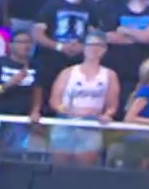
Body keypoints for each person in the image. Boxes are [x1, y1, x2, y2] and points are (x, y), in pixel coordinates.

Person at [46, 30, 118, 165]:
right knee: (59, 166)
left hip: (91, 126)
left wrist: (107, 115)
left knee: (84, 168)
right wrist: (69, 111)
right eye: (91, 45)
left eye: (99, 45)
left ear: (104, 49)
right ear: (84, 47)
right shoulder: (68, 72)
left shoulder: (109, 75)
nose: (94, 49)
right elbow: (54, 101)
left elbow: (112, 105)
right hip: (66, 124)